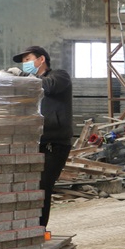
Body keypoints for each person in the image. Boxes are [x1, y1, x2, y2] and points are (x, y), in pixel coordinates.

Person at [7, 46, 73, 237]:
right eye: (23, 62)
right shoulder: (30, 84)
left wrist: (23, 77)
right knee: (28, 187)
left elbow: (48, 87)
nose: (25, 64)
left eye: (28, 59)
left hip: (55, 145)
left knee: (43, 187)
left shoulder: (59, 76)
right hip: (34, 143)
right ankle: (27, 230)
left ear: (41, 59)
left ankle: (39, 232)